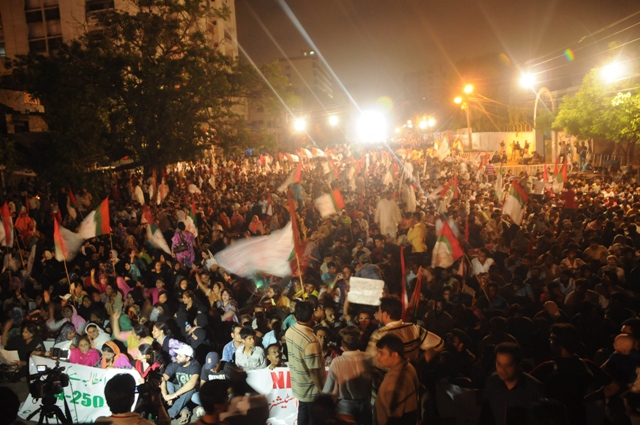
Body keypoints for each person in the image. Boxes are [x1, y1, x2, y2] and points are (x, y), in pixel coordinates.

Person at [478, 343, 543, 425]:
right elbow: (485, 415)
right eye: (499, 364)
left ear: (518, 365)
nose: (502, 370)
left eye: (508, 365)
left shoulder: (534, 388)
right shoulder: (492, 383)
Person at [285, 300, 326, 425]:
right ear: (312, 315)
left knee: (303, 414)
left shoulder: (290, 331)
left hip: (299, 385)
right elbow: (313, 370)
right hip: (311, 388)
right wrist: (322, 390)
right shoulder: (311, 340)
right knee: (312, 419)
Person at [323, 325, 373, 425]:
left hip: (345, 405)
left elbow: (328, 389)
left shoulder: (337, 362)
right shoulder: (368, 358)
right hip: (365, 402)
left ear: (343, 345)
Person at [374, 334, 420, 425]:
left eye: (381, 353)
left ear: (394, 355)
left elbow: (394, 418)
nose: (377, 357)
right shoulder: (408, 366)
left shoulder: (395, 382)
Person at [161, 343, 201, 422]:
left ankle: (170, 414)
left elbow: (192, 383)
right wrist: (166, 395)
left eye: (180, 356)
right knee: (168, 384)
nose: (177, 357)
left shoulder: (195, 365)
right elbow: (163, 378)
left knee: (190, 389)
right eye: (177, 355)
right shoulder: (175, 364)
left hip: (193, 392)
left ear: (188, 358)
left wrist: (173, 395)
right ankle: (184, 411)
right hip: (180, 388)